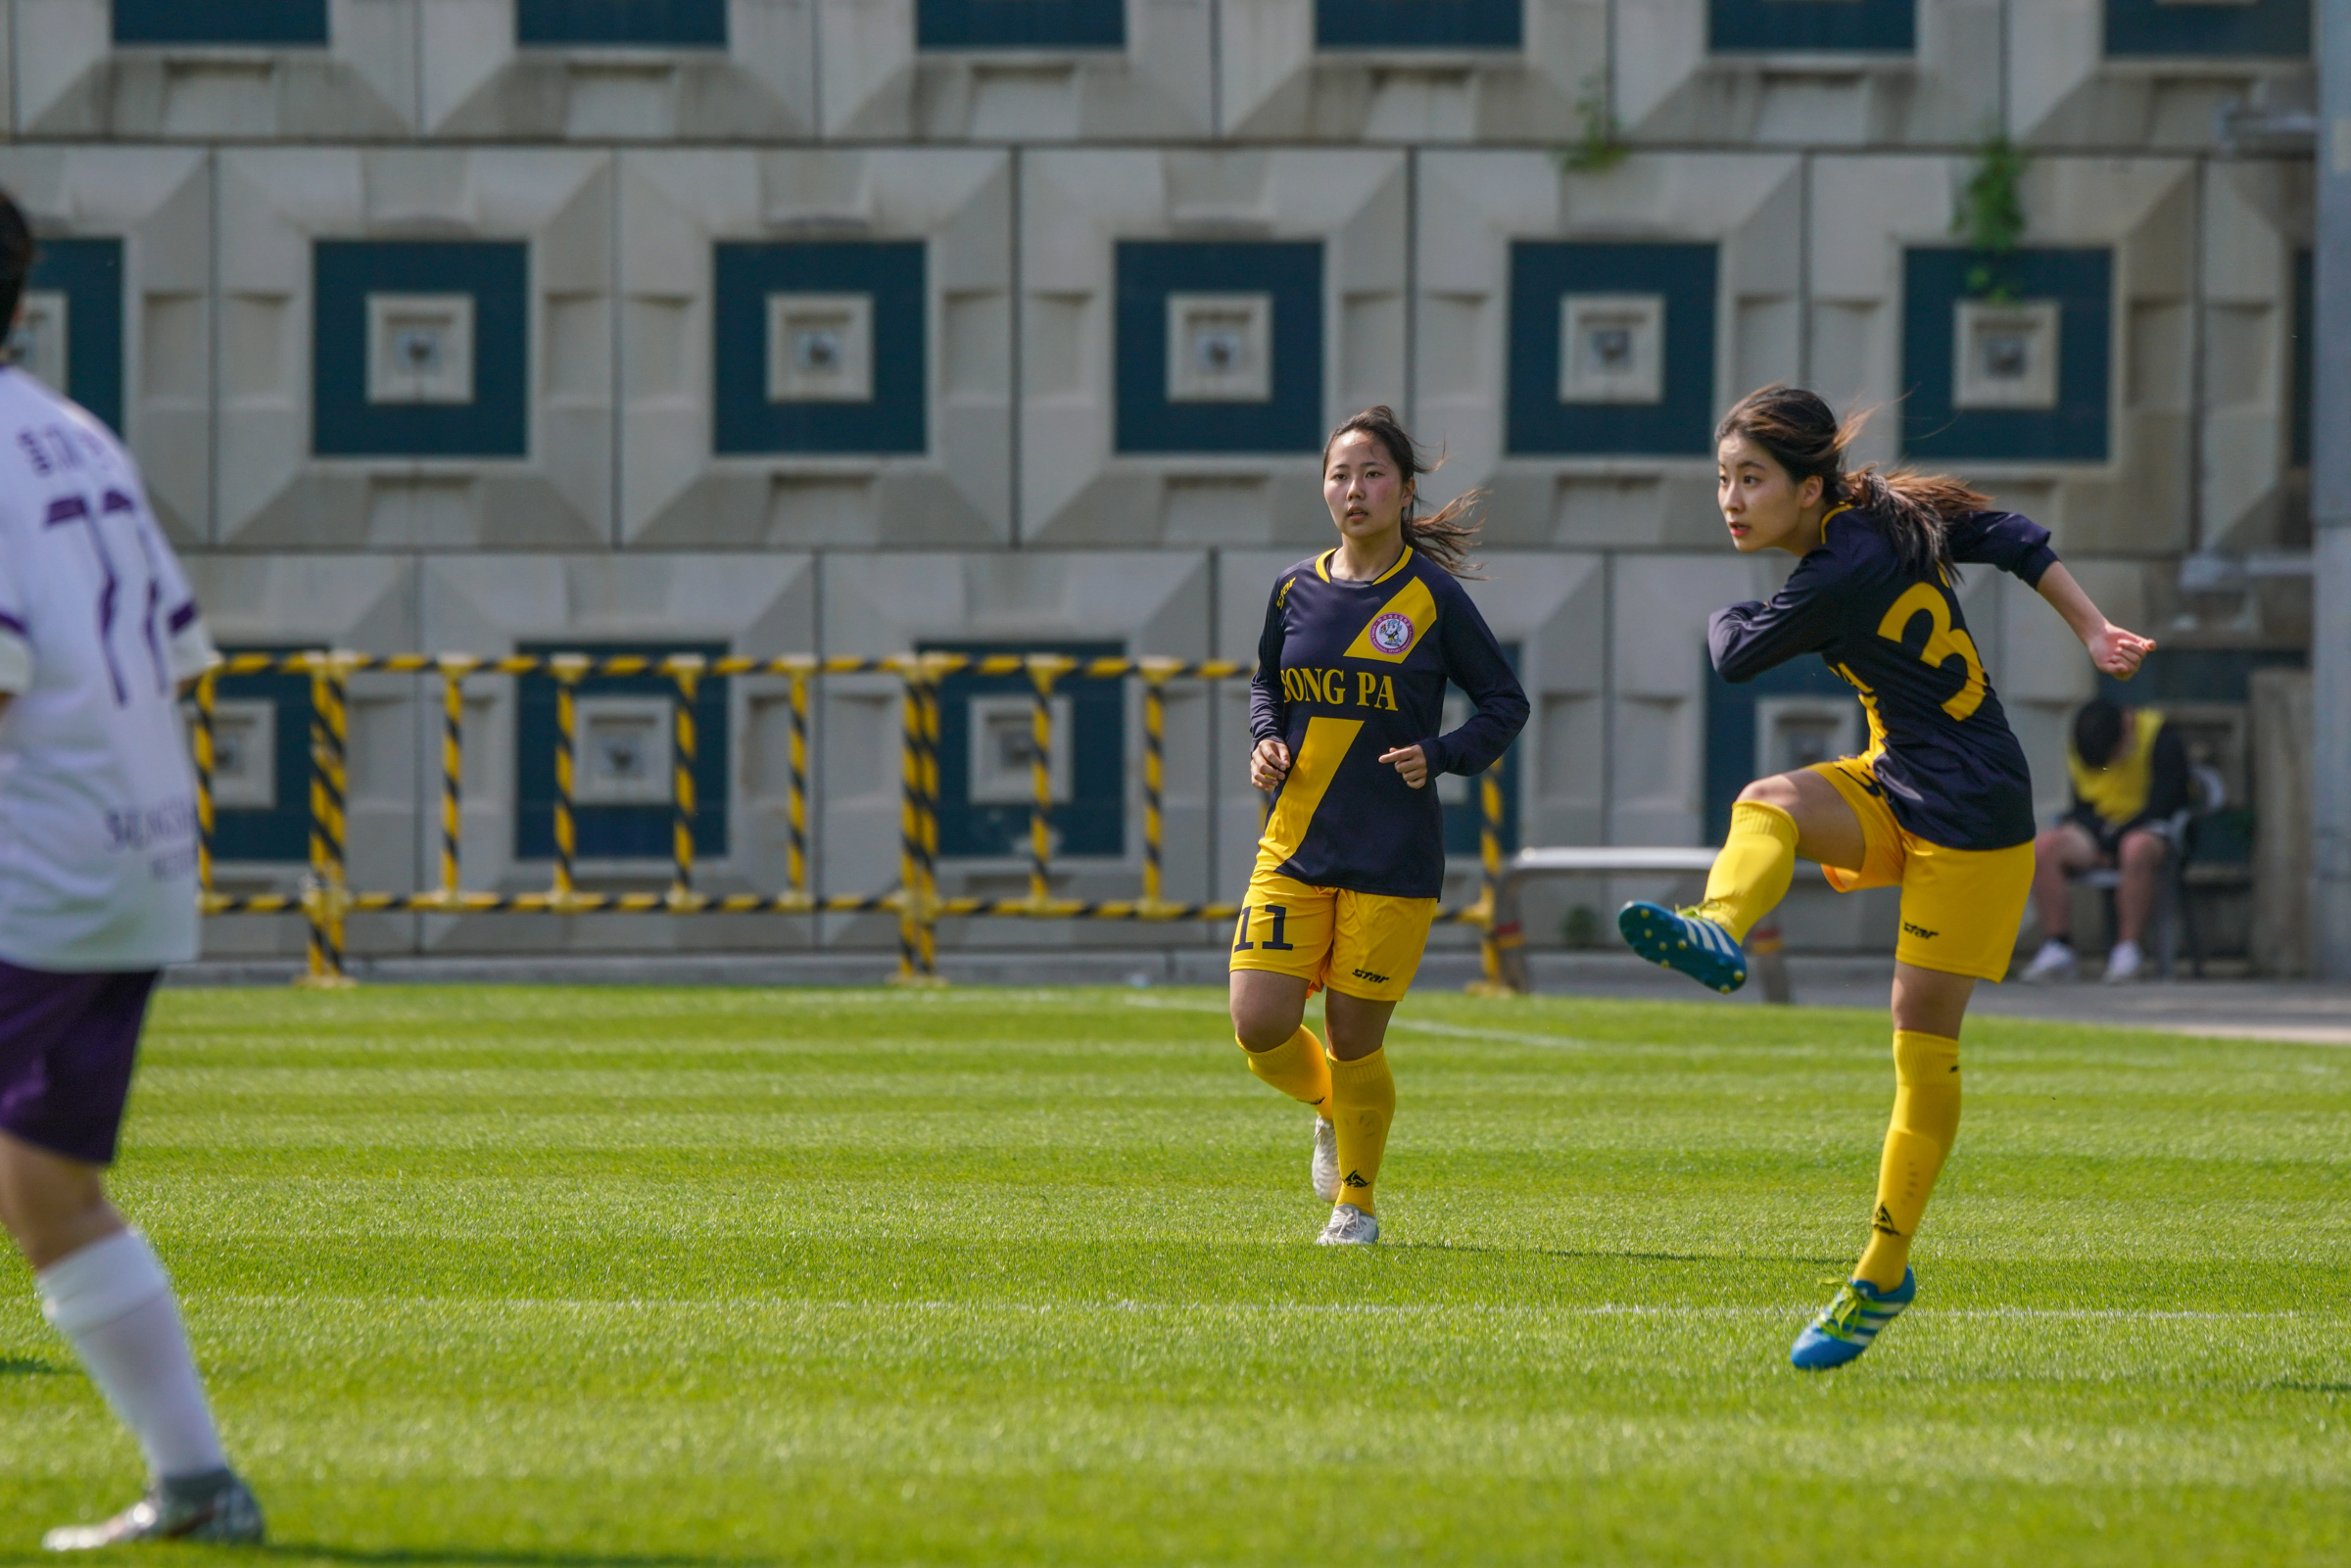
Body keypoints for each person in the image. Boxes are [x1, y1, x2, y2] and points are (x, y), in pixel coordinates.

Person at [1615, 385, 2151, 1368]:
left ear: (1809, 486)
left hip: (1975, 814)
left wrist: (1724, 611)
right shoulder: (1885, 512)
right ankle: (1719, 927)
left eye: (1751, 479)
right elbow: (2017, 536)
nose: (1730, 499)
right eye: (1723, 478)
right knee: (1767, 800)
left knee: (1920, 1041)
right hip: (1898, 773)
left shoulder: (1839, 566)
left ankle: (1882, 1270)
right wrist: (2092, 628)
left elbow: (1734, 656)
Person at [0, 191, 264, 1546]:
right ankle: (199, 1484)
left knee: (47, 1193)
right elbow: (172, 654)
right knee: (50, 1193)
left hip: (32, 872)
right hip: (132, 856)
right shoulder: (70, 430)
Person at [1230, 406, 1527, 1246]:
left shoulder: (1432, 597)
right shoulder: (1294, 588)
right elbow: (1266, 683)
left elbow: (1505, 703)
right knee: (1258, 1024)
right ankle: (1334, 1108)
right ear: (1324, 488)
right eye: (1340, 474)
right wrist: (1265, 739)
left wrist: (1441, 753)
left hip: (1393, 858)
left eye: (1371, 474)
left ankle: (1354, 1207)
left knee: (1354, 1039)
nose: (1353, 489)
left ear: (1402, 491)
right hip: (1294, 845)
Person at [2017, 697, 2190, 983]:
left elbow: (2166, 803)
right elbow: (2082, 805)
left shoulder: (2161, 738)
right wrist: (2100, 841)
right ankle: (2058, 946)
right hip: (2101, 831)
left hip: (2150, 828)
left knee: (2134, 847)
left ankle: (2127, 950)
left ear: (2125, 729)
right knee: (2045, 847)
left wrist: (2113, 843)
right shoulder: (2083, 747)